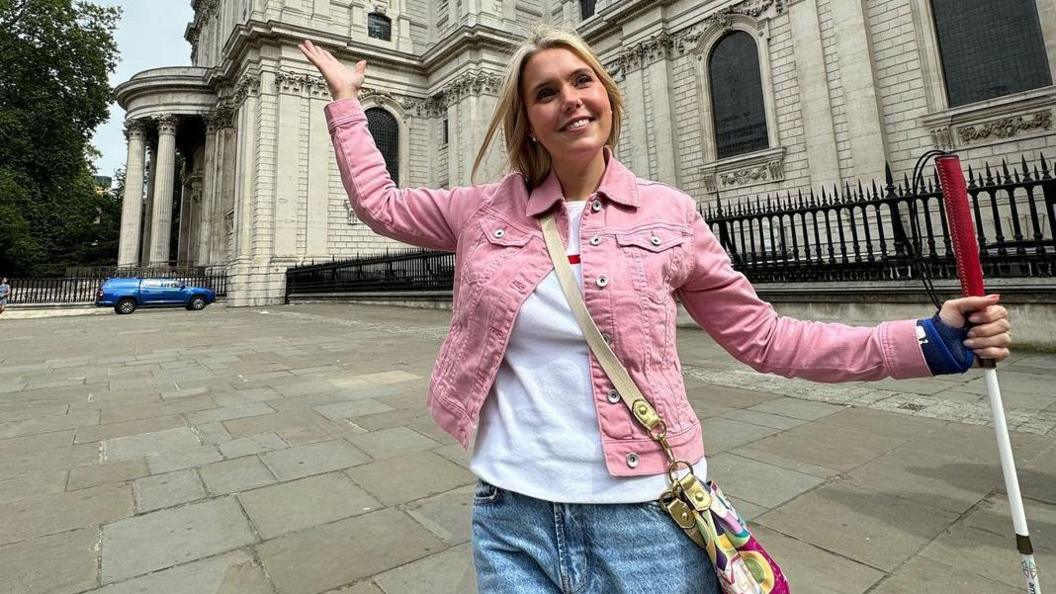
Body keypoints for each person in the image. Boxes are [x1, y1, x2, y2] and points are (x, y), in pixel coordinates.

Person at [300, 26, 1011, 594]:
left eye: (583, 81)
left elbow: (765, 338)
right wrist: (346, 102)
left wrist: (925, 342)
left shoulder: (671, 214)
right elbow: (382, 206)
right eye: (547, 92)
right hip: (508, 511)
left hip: (648, 516)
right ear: (530, 122)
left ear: (608, 97)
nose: (570, 100)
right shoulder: (483, 210)